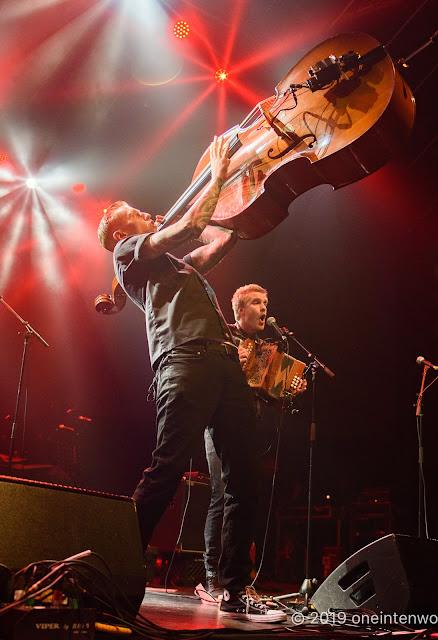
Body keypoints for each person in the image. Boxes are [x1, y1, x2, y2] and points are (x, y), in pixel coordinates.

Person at [97, 136, 286, 623]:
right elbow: (189, 226)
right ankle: (113, 572)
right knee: (166, 471)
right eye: (137, 211)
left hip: (224, 364)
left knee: (244, 479)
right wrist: (217, 172)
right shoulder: (129, 253)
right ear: (121, 230)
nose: (147, 213)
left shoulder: (176, 270)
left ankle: (234, 592)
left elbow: (220, 237)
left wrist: (240, 189)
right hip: (182, 364)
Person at [203, 284, 306, 596]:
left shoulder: (267, 347)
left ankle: (235, 575)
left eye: (265, 303)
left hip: (250, 426)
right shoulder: (223, 334)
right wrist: (233, 360)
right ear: (240, 310)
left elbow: (270, 394)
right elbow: (207, 379)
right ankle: (211, 573)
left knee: (244, 498)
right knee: (222, 495)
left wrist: (291, 391)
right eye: (256, 303)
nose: (263, 308)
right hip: (219, 423)